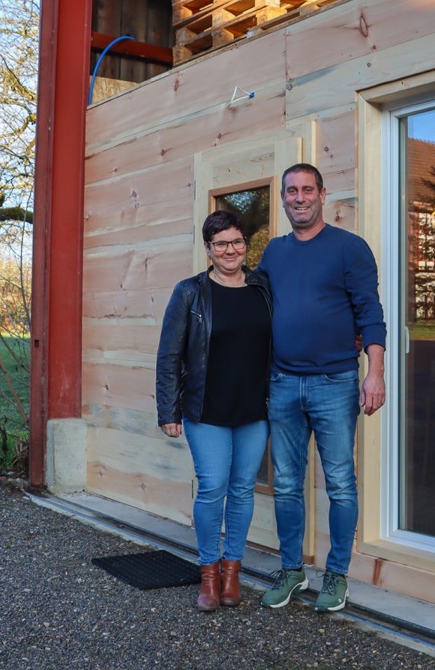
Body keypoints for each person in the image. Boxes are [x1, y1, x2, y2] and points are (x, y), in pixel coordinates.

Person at [256, 163, 386, 613]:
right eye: (291, 191)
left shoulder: (350, 248)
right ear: (284, 199)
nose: (299, 198)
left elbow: (370, 311)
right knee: (287, 484)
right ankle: (292, 571)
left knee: (340, 484)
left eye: (307, 190)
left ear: (322, 194)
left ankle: (336, 576)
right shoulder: (273, 252)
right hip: (283, 383)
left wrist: (375, 371)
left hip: (335, 383)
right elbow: (256, 309)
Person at [155, 210, 272, 612]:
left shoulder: (263, 287)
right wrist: (168, 410)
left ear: (245, 245)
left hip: (254, 408)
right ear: (208, 249)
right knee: (212, 488)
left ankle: (232, 572)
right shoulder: (189, 292)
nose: (230, 250)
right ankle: (208, 572)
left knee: (242, 490)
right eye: (220, 243)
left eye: (236, 242)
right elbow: (169, 355)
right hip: (205, 409)